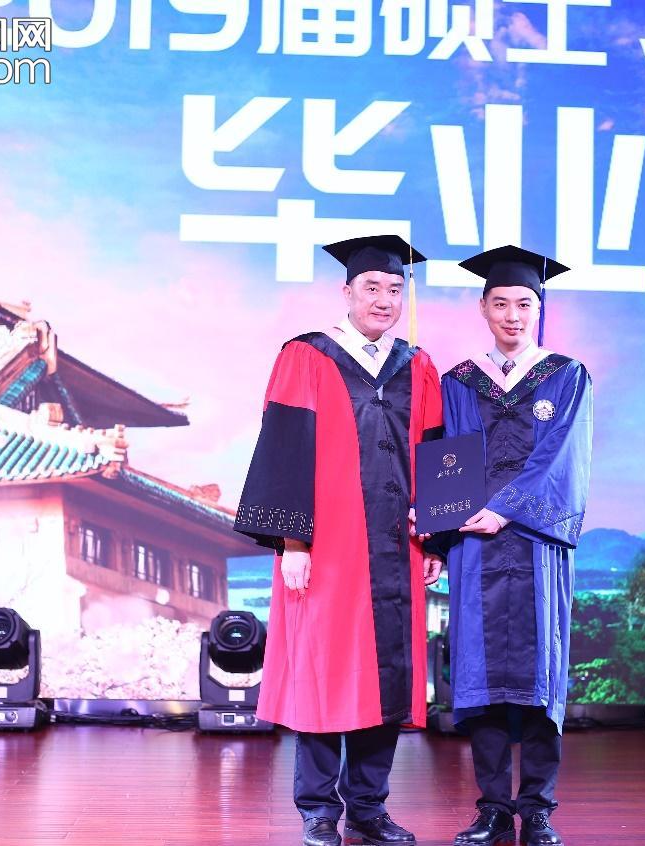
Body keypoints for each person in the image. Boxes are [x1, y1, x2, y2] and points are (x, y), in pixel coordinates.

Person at [233, 234, 445, 846]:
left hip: (397, 547)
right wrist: (292, 544)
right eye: (372, 288)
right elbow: (283, 448)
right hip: (326, 546)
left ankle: (369, 809)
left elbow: (436, 453)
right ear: (346, 291)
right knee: (324, 674)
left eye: (394, 290)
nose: (384, 300)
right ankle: (318, 810)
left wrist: (435, 538)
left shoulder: (418, 365)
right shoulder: (306, 355)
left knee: (388, 677)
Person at [438, 246, 593, 846]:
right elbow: (449, 457)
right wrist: (445, 527)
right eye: (500, 303)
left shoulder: (566, 375)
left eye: (524, 303)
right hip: (473, 543)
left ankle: (539, 808)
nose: (512, 315)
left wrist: (502, 509)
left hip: (534, 542)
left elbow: (561, 459)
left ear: (540, 307)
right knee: (481, 681)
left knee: (538, 674)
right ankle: (493, 809)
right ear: (482, 308)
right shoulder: (460, 380)